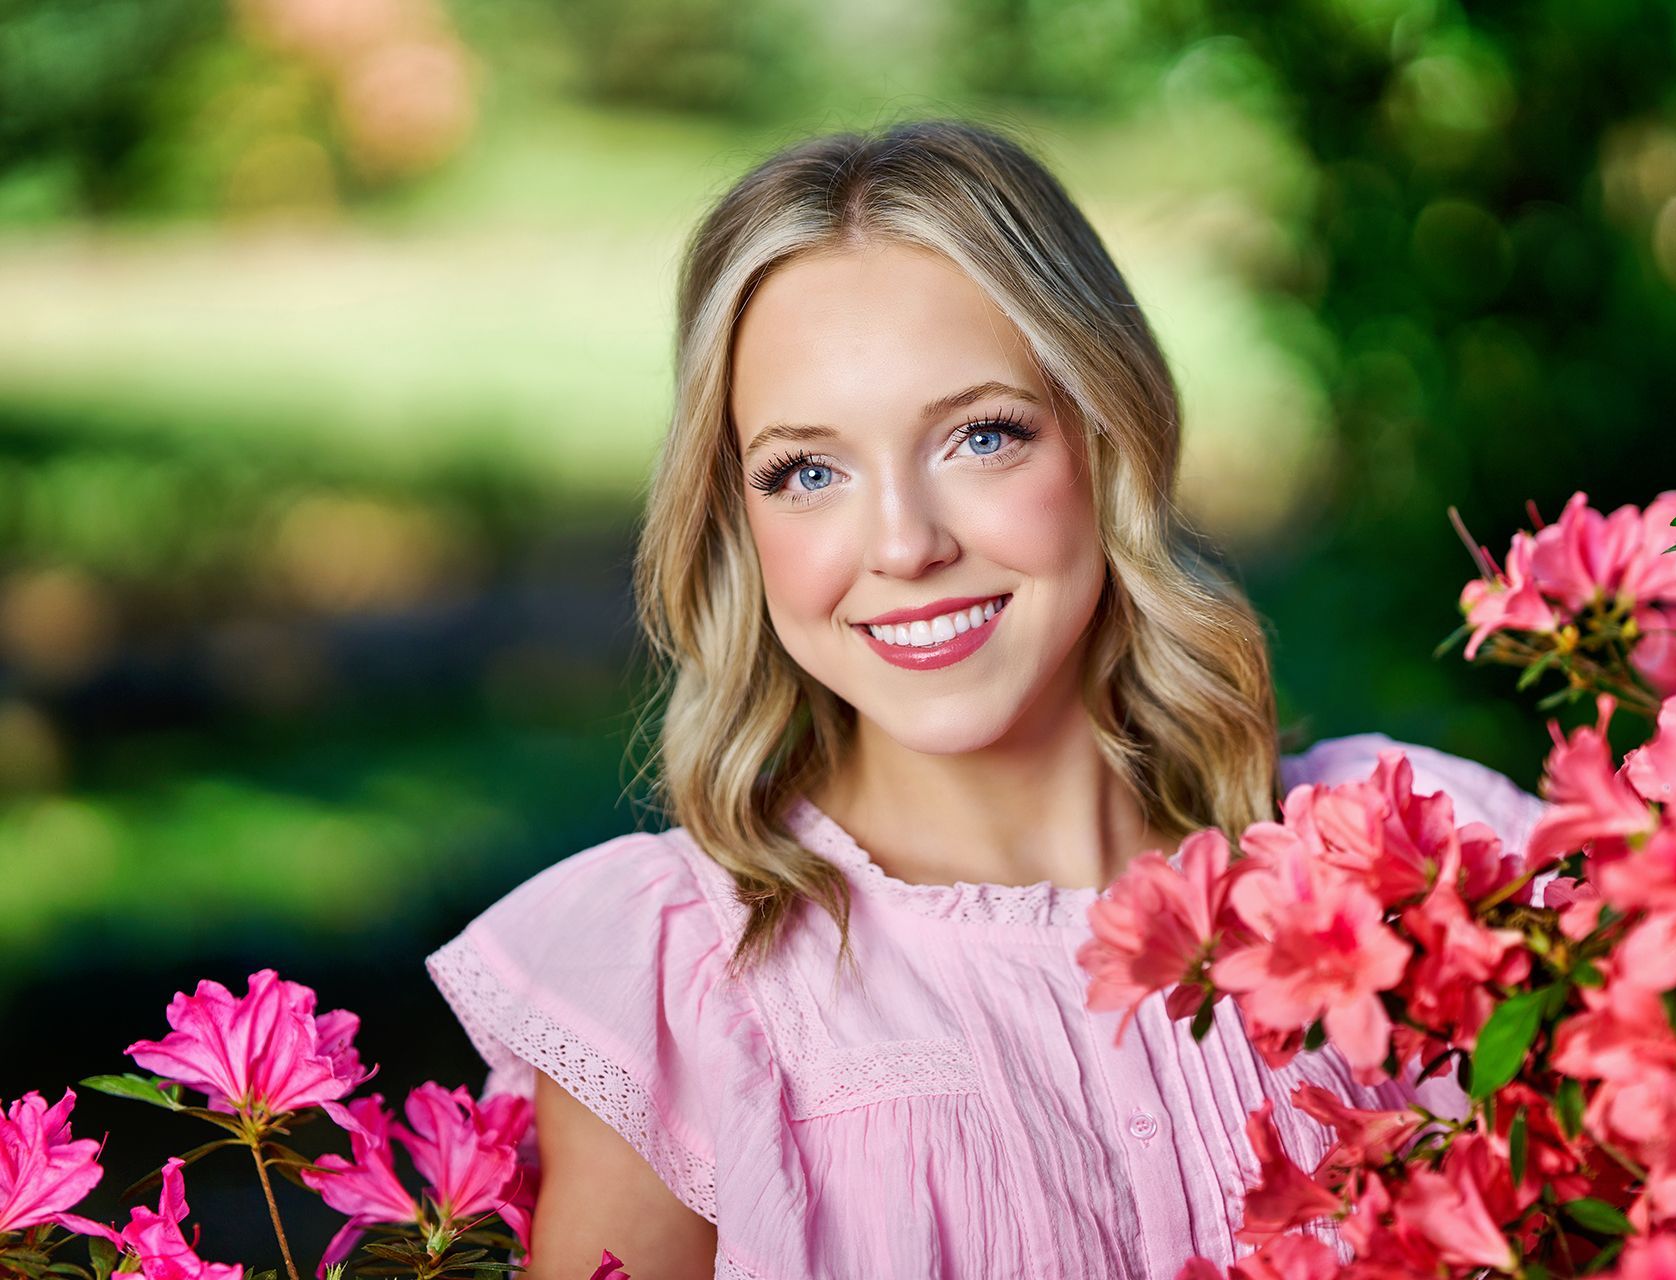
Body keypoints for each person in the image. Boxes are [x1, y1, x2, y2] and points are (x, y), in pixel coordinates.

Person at [424, 117, 1546, 1280]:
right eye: (808, 471)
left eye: (981, 435)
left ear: (1106, 435)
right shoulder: (687, 990)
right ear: (737, 522)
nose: (905, 544)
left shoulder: (1420, 857)